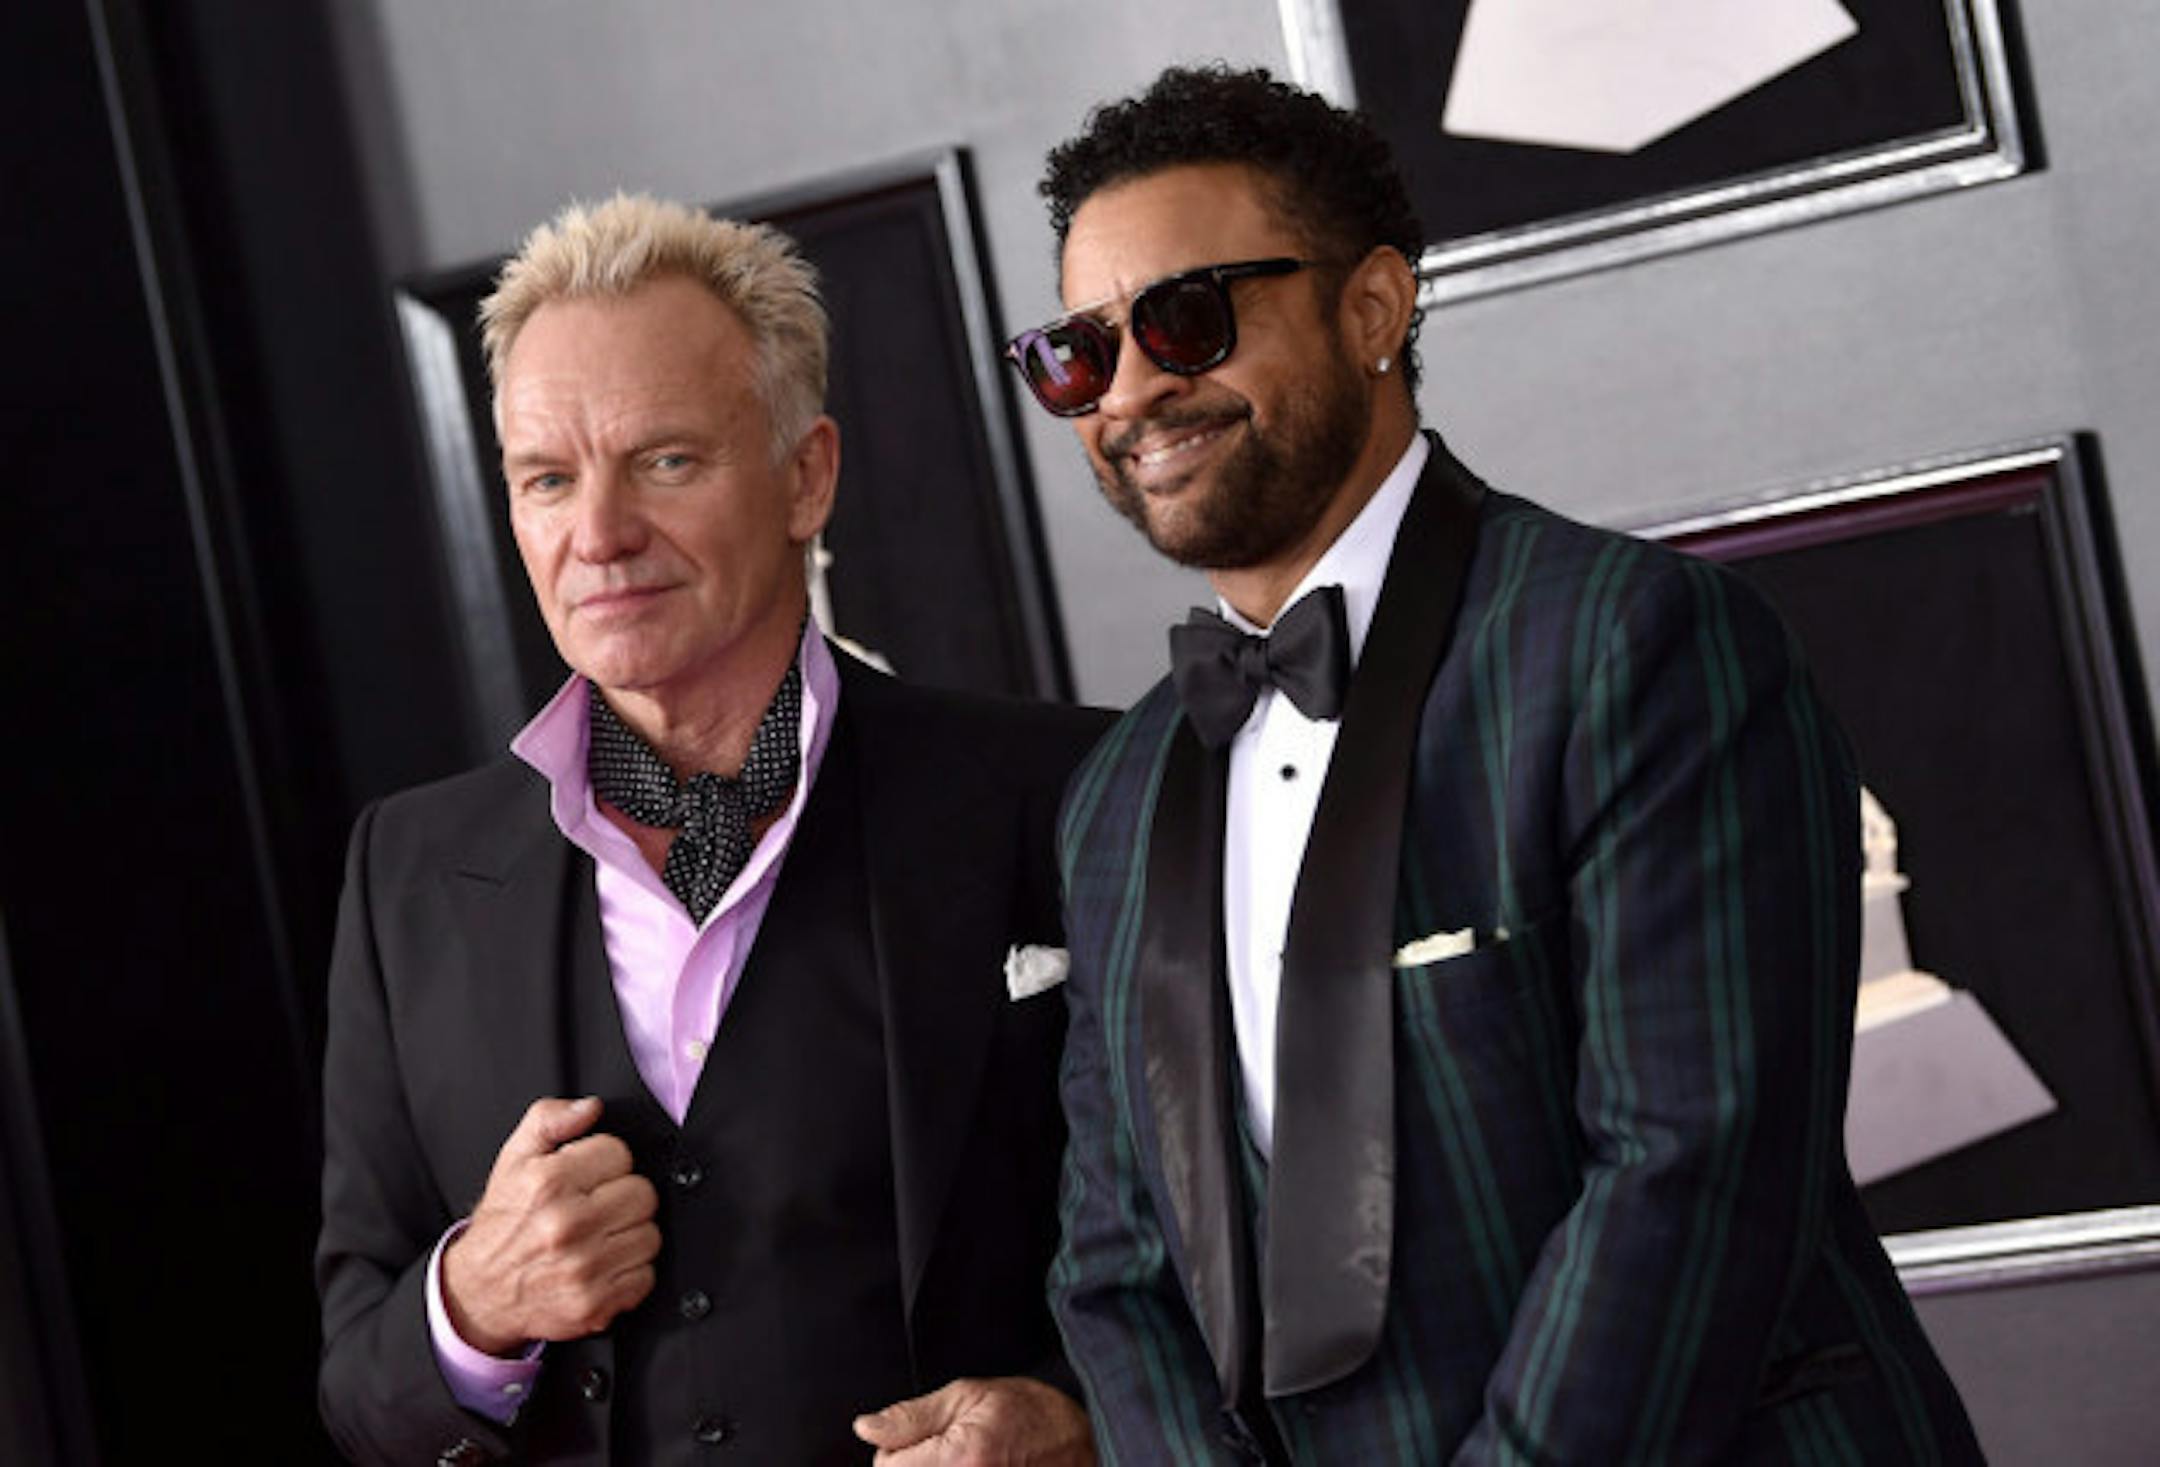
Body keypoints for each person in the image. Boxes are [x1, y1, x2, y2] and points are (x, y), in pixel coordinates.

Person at [1016, 65, 1981, 1463]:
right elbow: (1114, 1262)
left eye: (1186, 316)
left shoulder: (1635, 645)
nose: (1135, 389)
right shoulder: (1116, 793)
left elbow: (1688, 1178)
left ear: (1372, 310)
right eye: (1078, 353)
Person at [316, 193, 1104, 1466]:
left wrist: (1083, 1421)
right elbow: (358, 1380)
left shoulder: (1074, 788)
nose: (600, 535)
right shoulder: (404, 877)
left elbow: (1241, 1246)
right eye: (548, 479)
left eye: (666, 460)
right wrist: (474, 1308)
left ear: (808, 477)